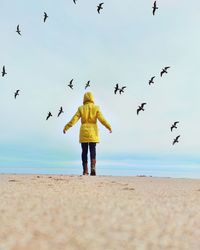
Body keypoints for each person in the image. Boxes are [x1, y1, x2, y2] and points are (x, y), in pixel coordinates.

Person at [63, 92, 112, 176]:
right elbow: (102, 119)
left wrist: (66, 127)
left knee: (84, 151)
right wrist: (109, 127)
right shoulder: (96, 108)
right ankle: (93, 167)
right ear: (92, 98)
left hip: (84, 132)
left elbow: (74, 119)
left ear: (84, 99)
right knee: (93, 150)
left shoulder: (81, 108)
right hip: (93, 132)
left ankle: (85, 171)